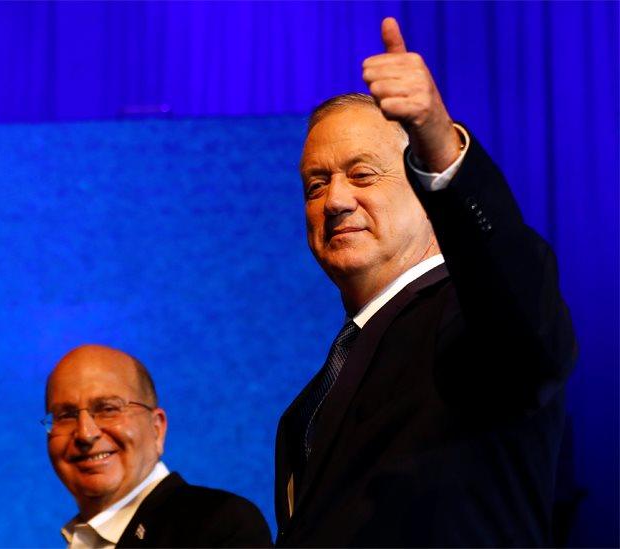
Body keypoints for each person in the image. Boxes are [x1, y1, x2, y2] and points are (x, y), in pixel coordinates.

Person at [274, 18, 576, 546]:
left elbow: (523, 317)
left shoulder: (470, 319)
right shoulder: (304, 411)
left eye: (362, 175)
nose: (335, 201)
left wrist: (438, 143)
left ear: (424, 193)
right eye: (315, 184)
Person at [45, 344, 272, 548]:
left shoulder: (219, 525)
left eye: (108, 409)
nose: (85, 433)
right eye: (65, 415)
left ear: (157, 428)